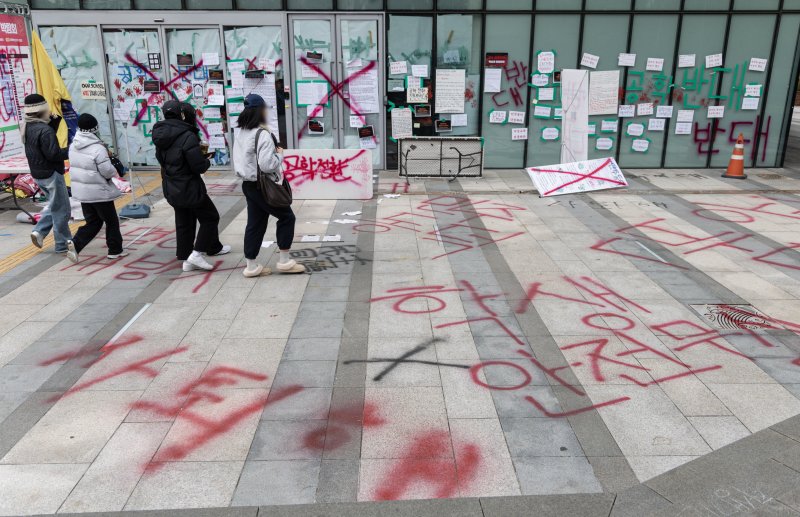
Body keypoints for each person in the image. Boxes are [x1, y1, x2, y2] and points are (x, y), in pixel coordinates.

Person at [152, 100, 230, 272]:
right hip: (189, 185)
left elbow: (161, 159)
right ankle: (196, 254)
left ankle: (186, 256)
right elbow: (198, 166)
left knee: (183, 220)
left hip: (171, 184)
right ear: (182, 114)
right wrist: (206, 161)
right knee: (211, 217)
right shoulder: (187, 135)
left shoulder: (160, 134)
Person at [232, 94, 304, 277]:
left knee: (255, 223)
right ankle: (285, 262)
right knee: (287, 217)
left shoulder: (240, 131)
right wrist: (279, 154)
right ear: (261, 111)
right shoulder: (262, 134)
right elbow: (267, 165)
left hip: (249, 185)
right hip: (263, 186)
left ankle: (251, 266)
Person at [64, 113, 127, 263]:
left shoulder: (73, 145)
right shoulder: (97, 148)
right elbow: (106, 171)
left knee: (93, 222)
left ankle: (76, 244)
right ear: (95, 129)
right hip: (99, 192)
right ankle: (115, 250)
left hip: (83, 193)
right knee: (111, 220)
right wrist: (114, 171)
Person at [22, 93, 71, 253]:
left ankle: (39, 232)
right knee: (62, 209)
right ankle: (62, 245)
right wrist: (71, 150)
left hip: (38, 173)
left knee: (55, 205)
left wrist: (54, 123)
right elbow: (53, 154)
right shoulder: (45, 130)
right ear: (43, 109)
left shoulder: (27, 126)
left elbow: (42, 143)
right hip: (51, 173)